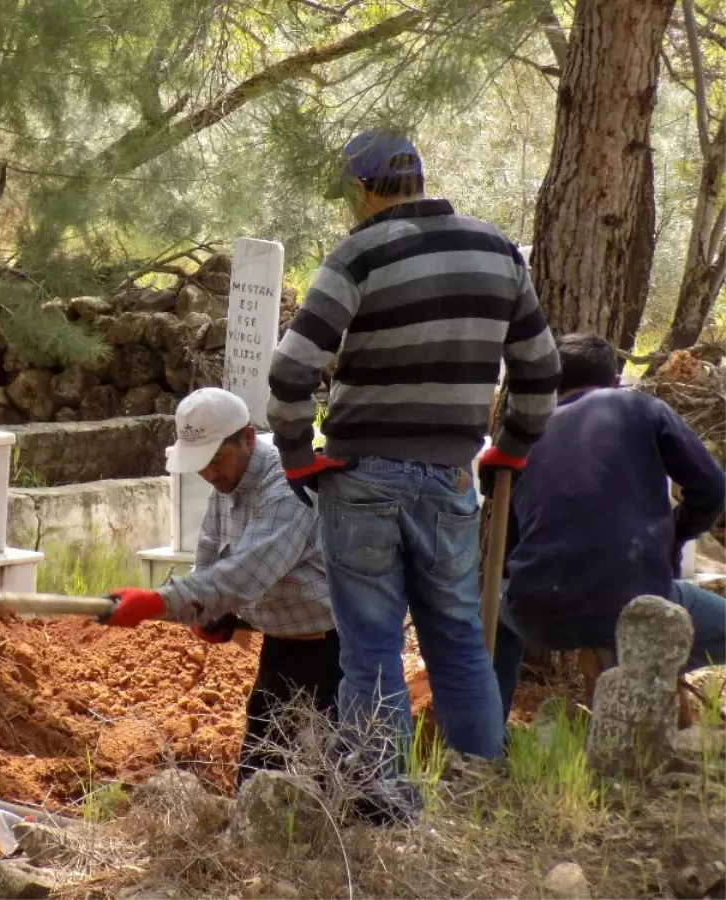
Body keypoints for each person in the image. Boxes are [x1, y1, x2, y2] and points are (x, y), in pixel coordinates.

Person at [265, 128, 561, 763]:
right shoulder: (498, 252)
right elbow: (540, 373)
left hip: (360, 475)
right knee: (458, 641)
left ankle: (384, 805)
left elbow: (291, 371)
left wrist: (296, 456)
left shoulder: (359, 254)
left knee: (370, 650)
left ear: (363, 190)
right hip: (450, 477)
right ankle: (479, 789)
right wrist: (510, 447)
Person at [101, 387, 341, 789]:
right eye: (201, 464)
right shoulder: (226, 490)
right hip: (282, 647)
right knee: (258, 777)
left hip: (329, 656)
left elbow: (244, 575)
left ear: (247, 437)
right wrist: (212, 613)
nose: (209, 473)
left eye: (216, 460)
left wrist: (158, 602)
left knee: (313, 783)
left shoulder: (289, 489)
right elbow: (210, 563)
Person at [493, 332, 726, 717]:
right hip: (634, 605)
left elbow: (512, 547)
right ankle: (648, 682)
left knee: (499, 614)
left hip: (537, 616)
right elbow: (714, 488)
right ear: (615, 382)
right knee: (662, 621)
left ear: (553, 386)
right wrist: (676, 534)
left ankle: (490, 735)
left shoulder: (525, 437)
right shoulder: (643, 408)